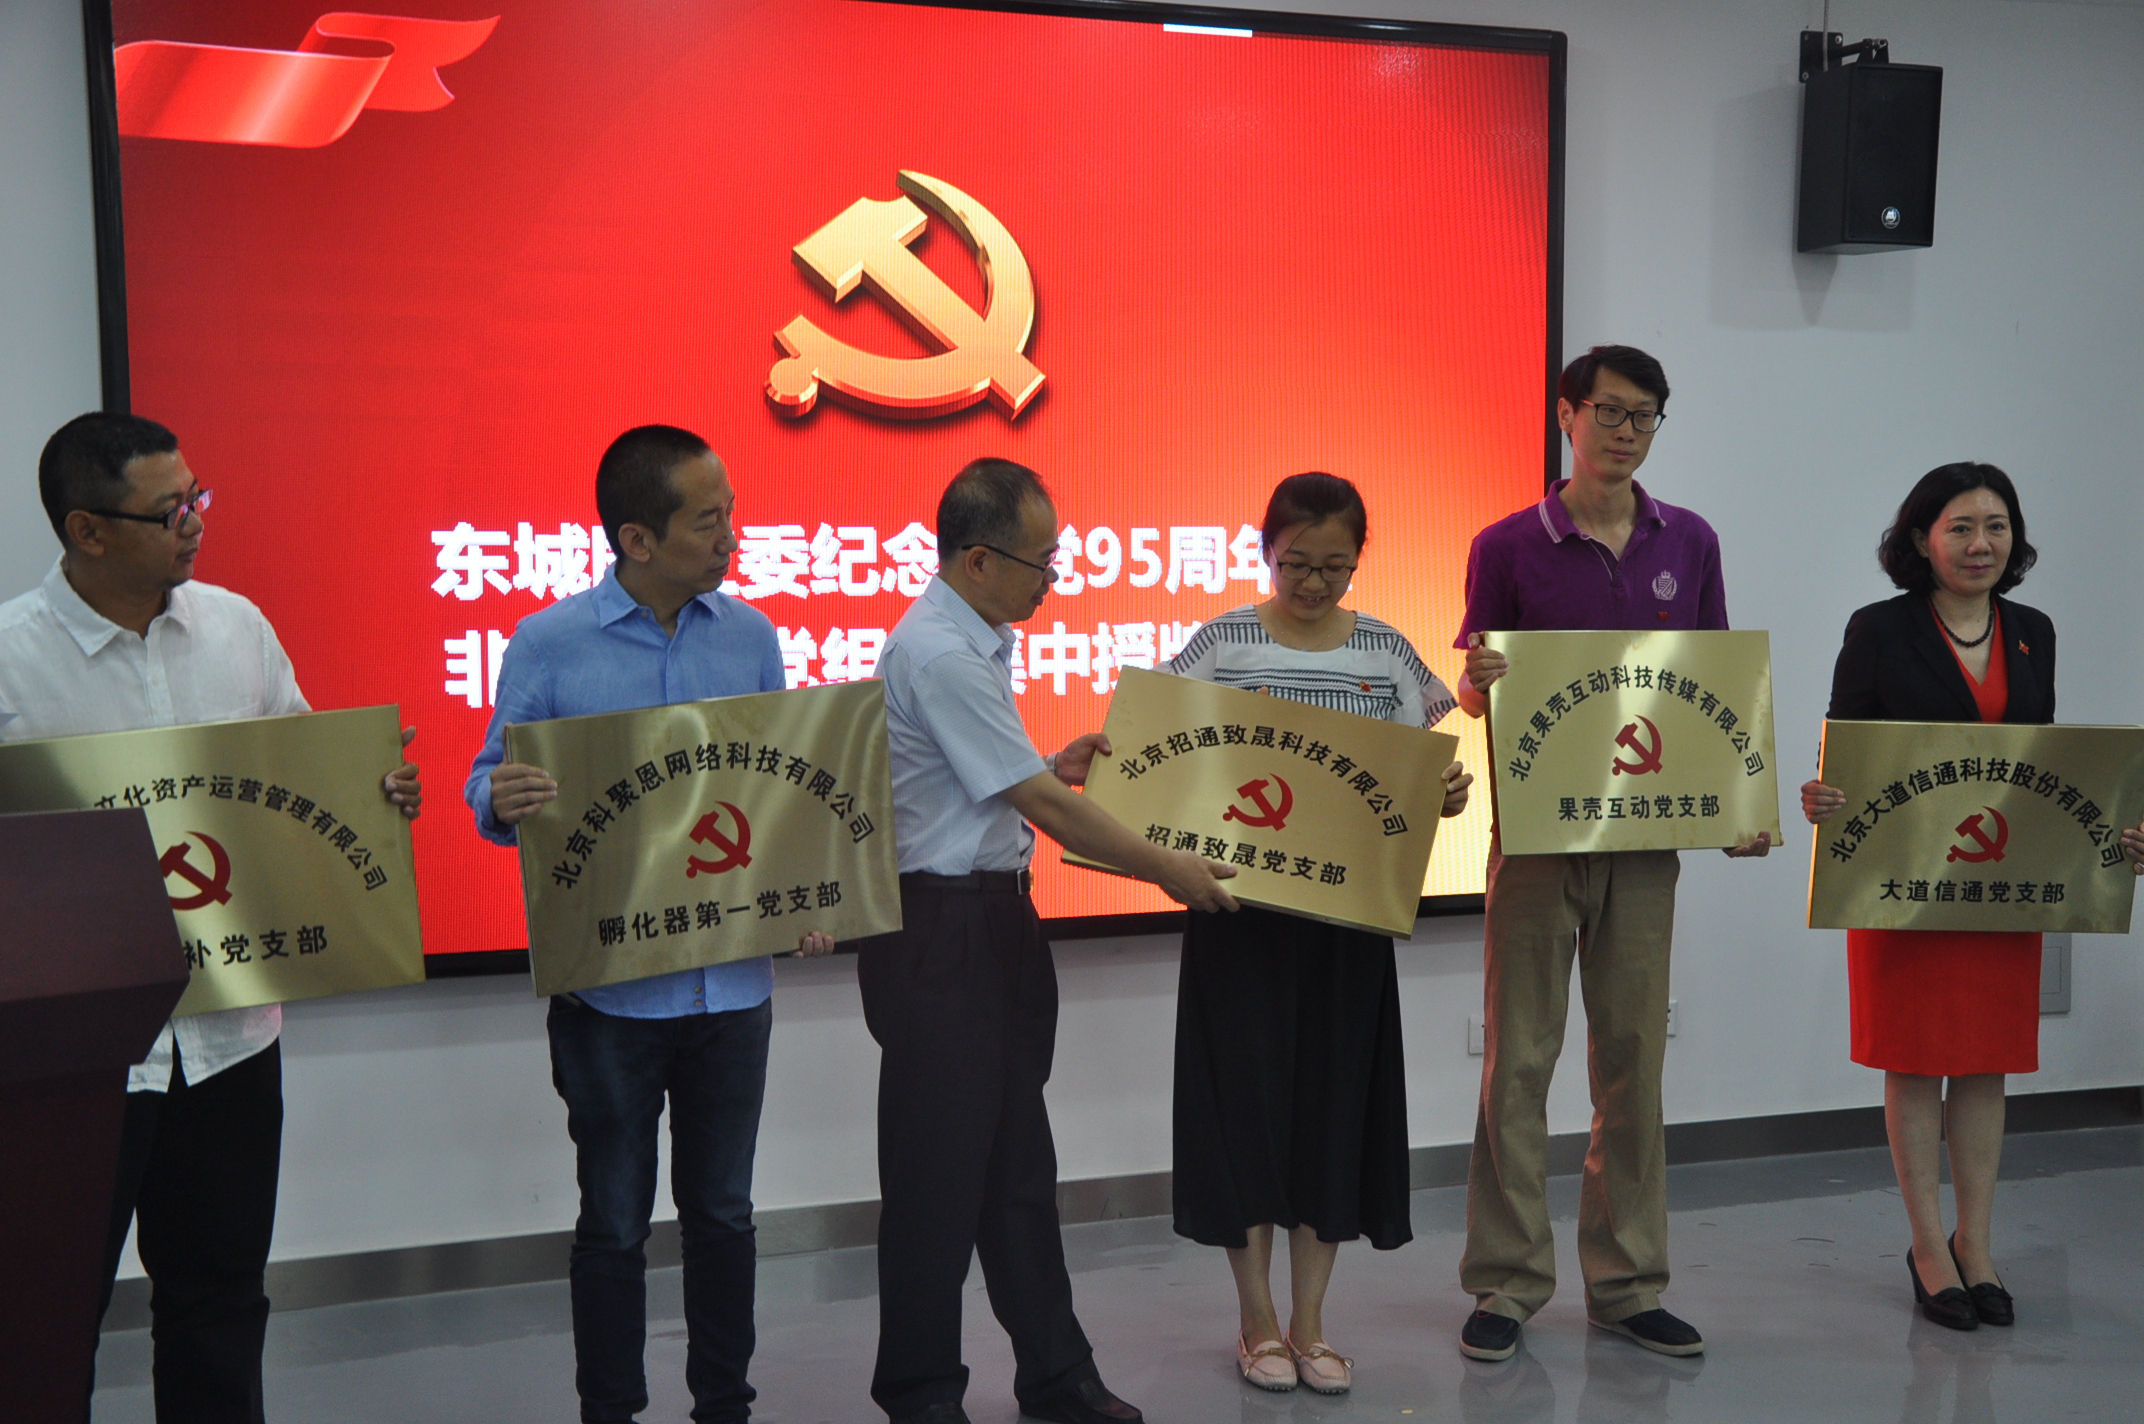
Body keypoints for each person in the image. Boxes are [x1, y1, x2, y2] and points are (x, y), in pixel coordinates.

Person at [0, 411, 422, 1422]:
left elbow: (296, 782)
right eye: (169, 510)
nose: (195, 522)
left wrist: (373, 794)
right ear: (87, 530)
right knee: (48, 1316)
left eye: (197, 497)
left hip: (231, 1040)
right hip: (75, 1059)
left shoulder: (236, 627)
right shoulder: (10, 660)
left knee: (221, 1301)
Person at [465, 424, 832, 1424]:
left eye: (729, 512)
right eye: (707, 520)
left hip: (732, 989)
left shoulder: (749, 638)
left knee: (724, 1214)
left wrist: (808, 896)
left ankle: (725, 1404)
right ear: (637, 538)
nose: (730, 535)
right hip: (609, 998)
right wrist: (504, 795)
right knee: (615, 1222)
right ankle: (611, 1408)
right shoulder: (549, 642)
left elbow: (777, 795)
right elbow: (487, 784)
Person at [862, 457, 1239, 1424]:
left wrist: (1047, 764)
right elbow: (1044, 810)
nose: (1052, 580)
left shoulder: (974, 640)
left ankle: (1055, 1375)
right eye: (1042, 562)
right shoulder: (941, 654)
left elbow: (992, 787)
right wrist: (1169, 868)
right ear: (980, 561)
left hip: (990, 923)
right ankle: (920, 1394)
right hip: (941, 931)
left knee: (1017, 1168)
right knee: (937, 1179)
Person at [1452, 345, 1771, 1363]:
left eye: (1645, 416)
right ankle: (1505, 1282)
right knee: (1518, 1062)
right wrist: (1474, 681)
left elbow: (1711, 683)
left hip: (1643, 840)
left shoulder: (1691, 539)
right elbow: (1475, 690)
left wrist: (1742, 803)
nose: (1627, 431)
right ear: (1567, 414)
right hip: (1537, 838)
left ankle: (1628, 1284)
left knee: (1634, 1060)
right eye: (1610, 411)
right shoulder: (1507, 544)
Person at [1799, 462, 2144, 1330]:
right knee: (1916, 1062)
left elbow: (2045, 768)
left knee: (1987, 1062)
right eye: (1960, 527)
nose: (1980, 543)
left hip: (2000, 888)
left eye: (1996, 526)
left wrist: (2112, 838)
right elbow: (1847, 747)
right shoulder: (1879, 628)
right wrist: (1823, 795)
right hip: (1905, 886)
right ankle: (1928, 1248)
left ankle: (1976, 1245)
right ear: (1922, 539)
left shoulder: (2033, 631)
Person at [1165, 471, 1473, 1395]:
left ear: (1357, 563)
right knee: (1246, 1116)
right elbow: (1164, 761)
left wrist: (1444, 794)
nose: (1313, 583)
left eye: (1335, 567)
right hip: (1239, 919)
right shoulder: (1219, 644)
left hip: (1347, 924)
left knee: (1332, 1117)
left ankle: (1311, 1324)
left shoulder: (1388, 654)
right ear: (1267, 550)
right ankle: (1255, 1321)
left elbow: (1410, 780)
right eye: (1297, 563)